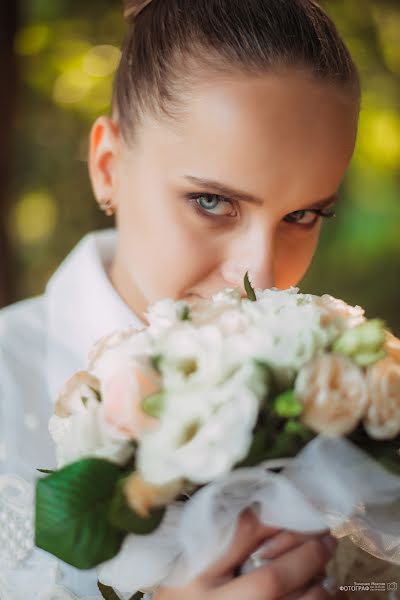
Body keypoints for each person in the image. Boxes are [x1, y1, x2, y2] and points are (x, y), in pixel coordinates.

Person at [1, 0, 397, 598]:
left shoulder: (354, 396)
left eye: (304, 214)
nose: (261, 277)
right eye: (212, 202)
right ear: (108, 167)